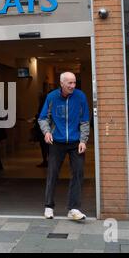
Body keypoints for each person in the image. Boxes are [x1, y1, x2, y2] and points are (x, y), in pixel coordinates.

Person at [38, 72, 90, 221]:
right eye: (70, 83)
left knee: (78, 173)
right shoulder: (52, 97)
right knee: (53, 173)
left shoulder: (80, 97)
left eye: (74, 83)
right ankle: (49, 206)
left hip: (75, 142)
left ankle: (73, 208)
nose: (73, 86)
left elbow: (85, 121)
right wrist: (47, 132)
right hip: (57, 141)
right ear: (61, 83)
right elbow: (42, 118)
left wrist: (83, 140)